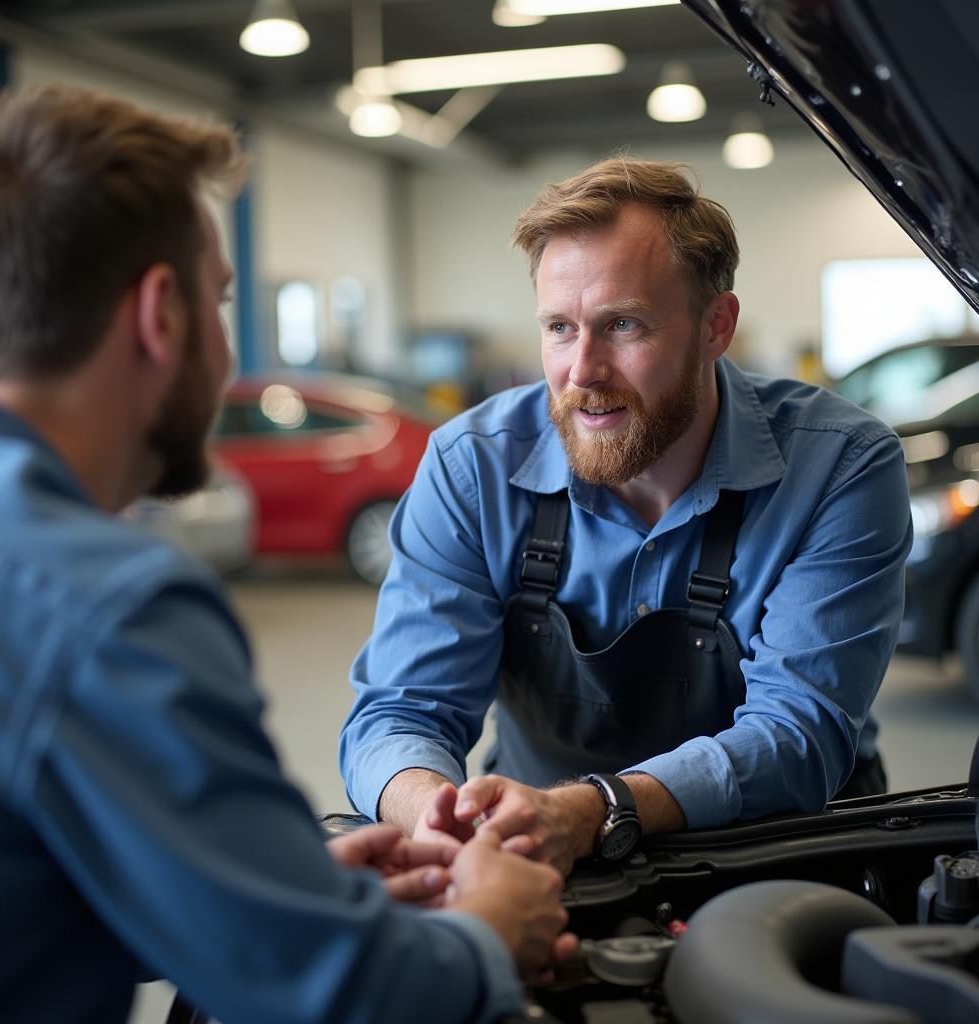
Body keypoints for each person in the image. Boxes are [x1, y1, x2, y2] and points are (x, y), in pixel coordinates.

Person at [0, 85, 575, 1024]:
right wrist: (490, 926)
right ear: (162, 315)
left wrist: (259, 887)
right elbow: (345, 1000)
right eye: (221, 299)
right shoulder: (105, 605)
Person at [340, 157, 912, 875]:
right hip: (531, 847)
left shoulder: (840, 466)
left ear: (715, 326)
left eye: (623, 326)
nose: (582, 370)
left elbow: (799, 732)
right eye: (558, 328)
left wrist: (594, 809)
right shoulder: (471, 466)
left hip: (774, 853)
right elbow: (399, 714)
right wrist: (440, 816)